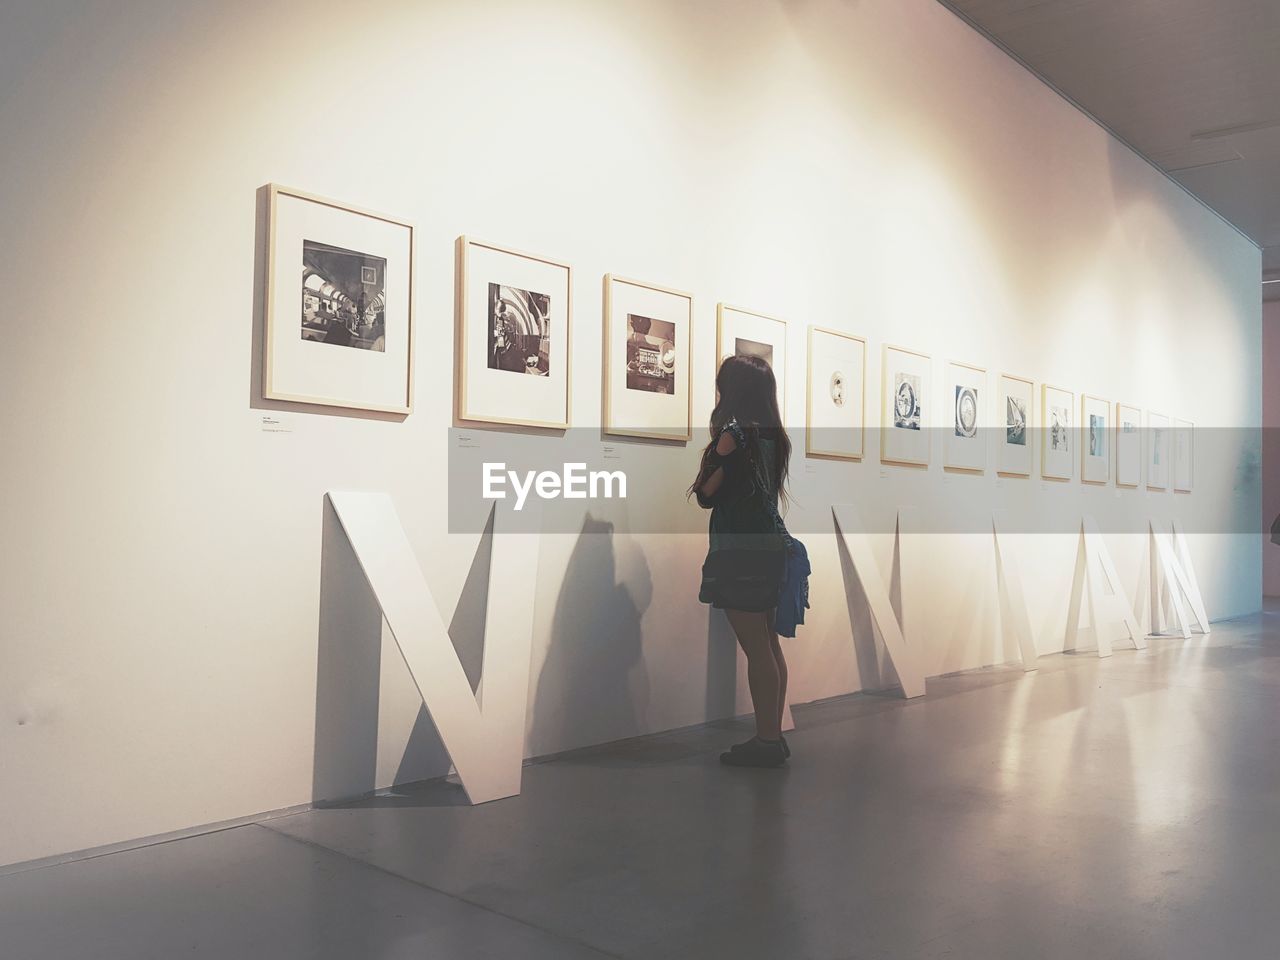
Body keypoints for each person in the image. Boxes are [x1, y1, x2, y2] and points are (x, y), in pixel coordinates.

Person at [690, 354, 796, 768]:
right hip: (769, 547)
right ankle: (773, 734)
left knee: (757, 648)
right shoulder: (775, 437)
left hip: (739, 550)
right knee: (768, 643)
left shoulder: (734, 435)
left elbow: (706, 494)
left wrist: (716, 458)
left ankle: (767, 740)